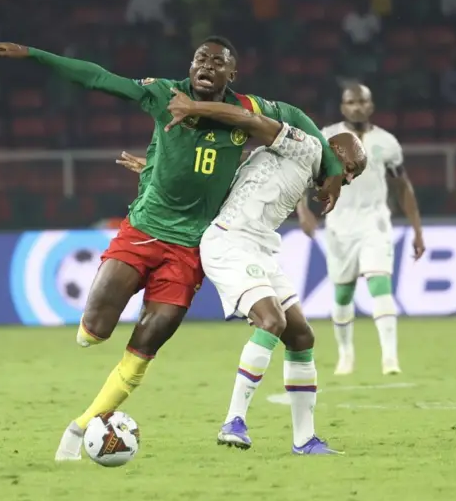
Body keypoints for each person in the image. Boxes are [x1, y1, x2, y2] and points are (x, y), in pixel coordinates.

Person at [0, 36, 345, 461]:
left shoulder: (244, 109)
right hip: (143, 232)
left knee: (148, 340)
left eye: (217, 62)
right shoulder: (163, 95)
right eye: (199, 59)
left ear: (232, 74)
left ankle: (82, 427)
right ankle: (102, 329)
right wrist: (34, 54)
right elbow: (99, 78)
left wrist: (333, 167)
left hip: (190, 248)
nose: (205, 66)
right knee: (91, 333)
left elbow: (297, 117)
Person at [118, 92, 366, 454]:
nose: (348, 180)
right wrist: (194, 108)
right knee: (271, 321)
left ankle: (304, 440)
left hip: (261, 249)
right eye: (350, 170)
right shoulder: (308, 147)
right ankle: (233, 422)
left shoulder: (292, 165)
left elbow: (224, 179)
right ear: (336, 153)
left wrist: (157, 172)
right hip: (230, 243)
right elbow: (249, 120)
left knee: (301, 336)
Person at [296, 84, 426, 376]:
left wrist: (417, 229)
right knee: (343, 294)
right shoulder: (326, 137)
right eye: (351, 102)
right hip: (339, 225)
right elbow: (303, 176)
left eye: (362, 102)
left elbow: (402, 186)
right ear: (343, 107)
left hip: (375, 222)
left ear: (370, 105)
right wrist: (302, 211)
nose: (356, 107)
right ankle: (346, 354)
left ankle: (390, 358)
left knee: (380, 283)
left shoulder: (387, 142)